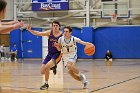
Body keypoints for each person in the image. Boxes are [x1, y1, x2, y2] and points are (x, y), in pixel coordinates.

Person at [26, 21, 62, 90]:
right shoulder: (49, 32)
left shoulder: (61, 36)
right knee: (42, 71)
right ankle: (53, 66)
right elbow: (39, 33)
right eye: (54, 25)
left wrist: (57, 46)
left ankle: (46, 84)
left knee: (47, 67)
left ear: (59, 27)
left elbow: (61, 49)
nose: (55, 27)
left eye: (56, 25)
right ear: (52, 26)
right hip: (50, 54)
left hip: (57, 54)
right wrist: (30, 30)